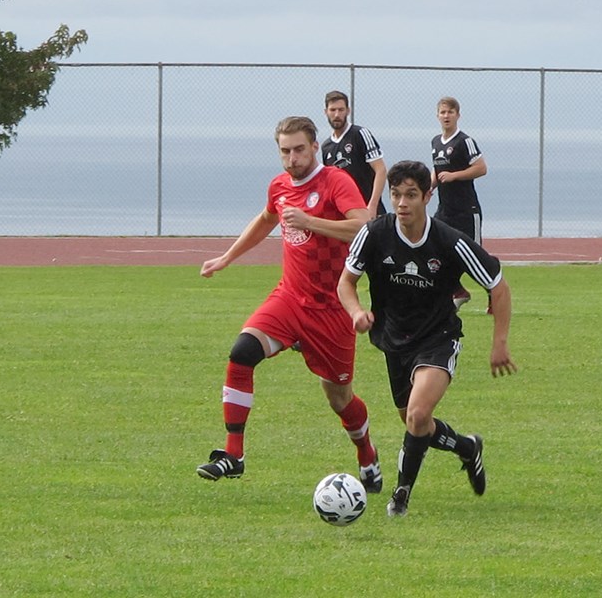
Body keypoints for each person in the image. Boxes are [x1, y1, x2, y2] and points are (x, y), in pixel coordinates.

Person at [197, 115, 382, 494]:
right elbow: (266, 220)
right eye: (285, 151)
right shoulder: (279, 186)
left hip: (332, 308)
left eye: (299, 149)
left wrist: (312, 222)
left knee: (340, 398)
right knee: (242, 352)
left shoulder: (335, 181)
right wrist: (227, 257)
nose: (292, 158)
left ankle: (366, 452)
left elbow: (365, 225)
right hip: (289, 298)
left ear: (315, 147)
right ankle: (234, 455)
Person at [337, 160, 517, 517]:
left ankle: (400, 496)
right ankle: (466, 447)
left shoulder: (449, 241)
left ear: (428, 196)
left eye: (411, 195)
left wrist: (499, 343)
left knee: (418, 414)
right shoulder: (374, 234)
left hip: (439, 337)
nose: (402, 203)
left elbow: (499, 286)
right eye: (396, 194)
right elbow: (346, 282)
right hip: (393, 340)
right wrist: (357, 312)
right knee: (416, 423)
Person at [430, 96, 489, 311]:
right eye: (443, 112)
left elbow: (481, 168)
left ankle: (495, 293)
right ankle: (458, 291)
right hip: (444, 210)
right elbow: (437, 171)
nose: (446, 116)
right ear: (437, 115)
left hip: (466, 211)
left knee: (475, 256)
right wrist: (428, 187)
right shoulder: (436, 142)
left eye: (450, 112)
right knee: (432, 248)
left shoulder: (465, 141)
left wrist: (455, 176)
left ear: (457, 115)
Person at [321, 90, 388, 219]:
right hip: (344, 215)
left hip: (368, 211)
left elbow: (381, 170)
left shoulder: (360, 134)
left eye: (341, 110)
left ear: (348, 111)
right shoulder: (326, 147)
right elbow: (329, 184)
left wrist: (372, 206)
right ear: (326, 112)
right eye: (333, 110)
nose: (337, 115)